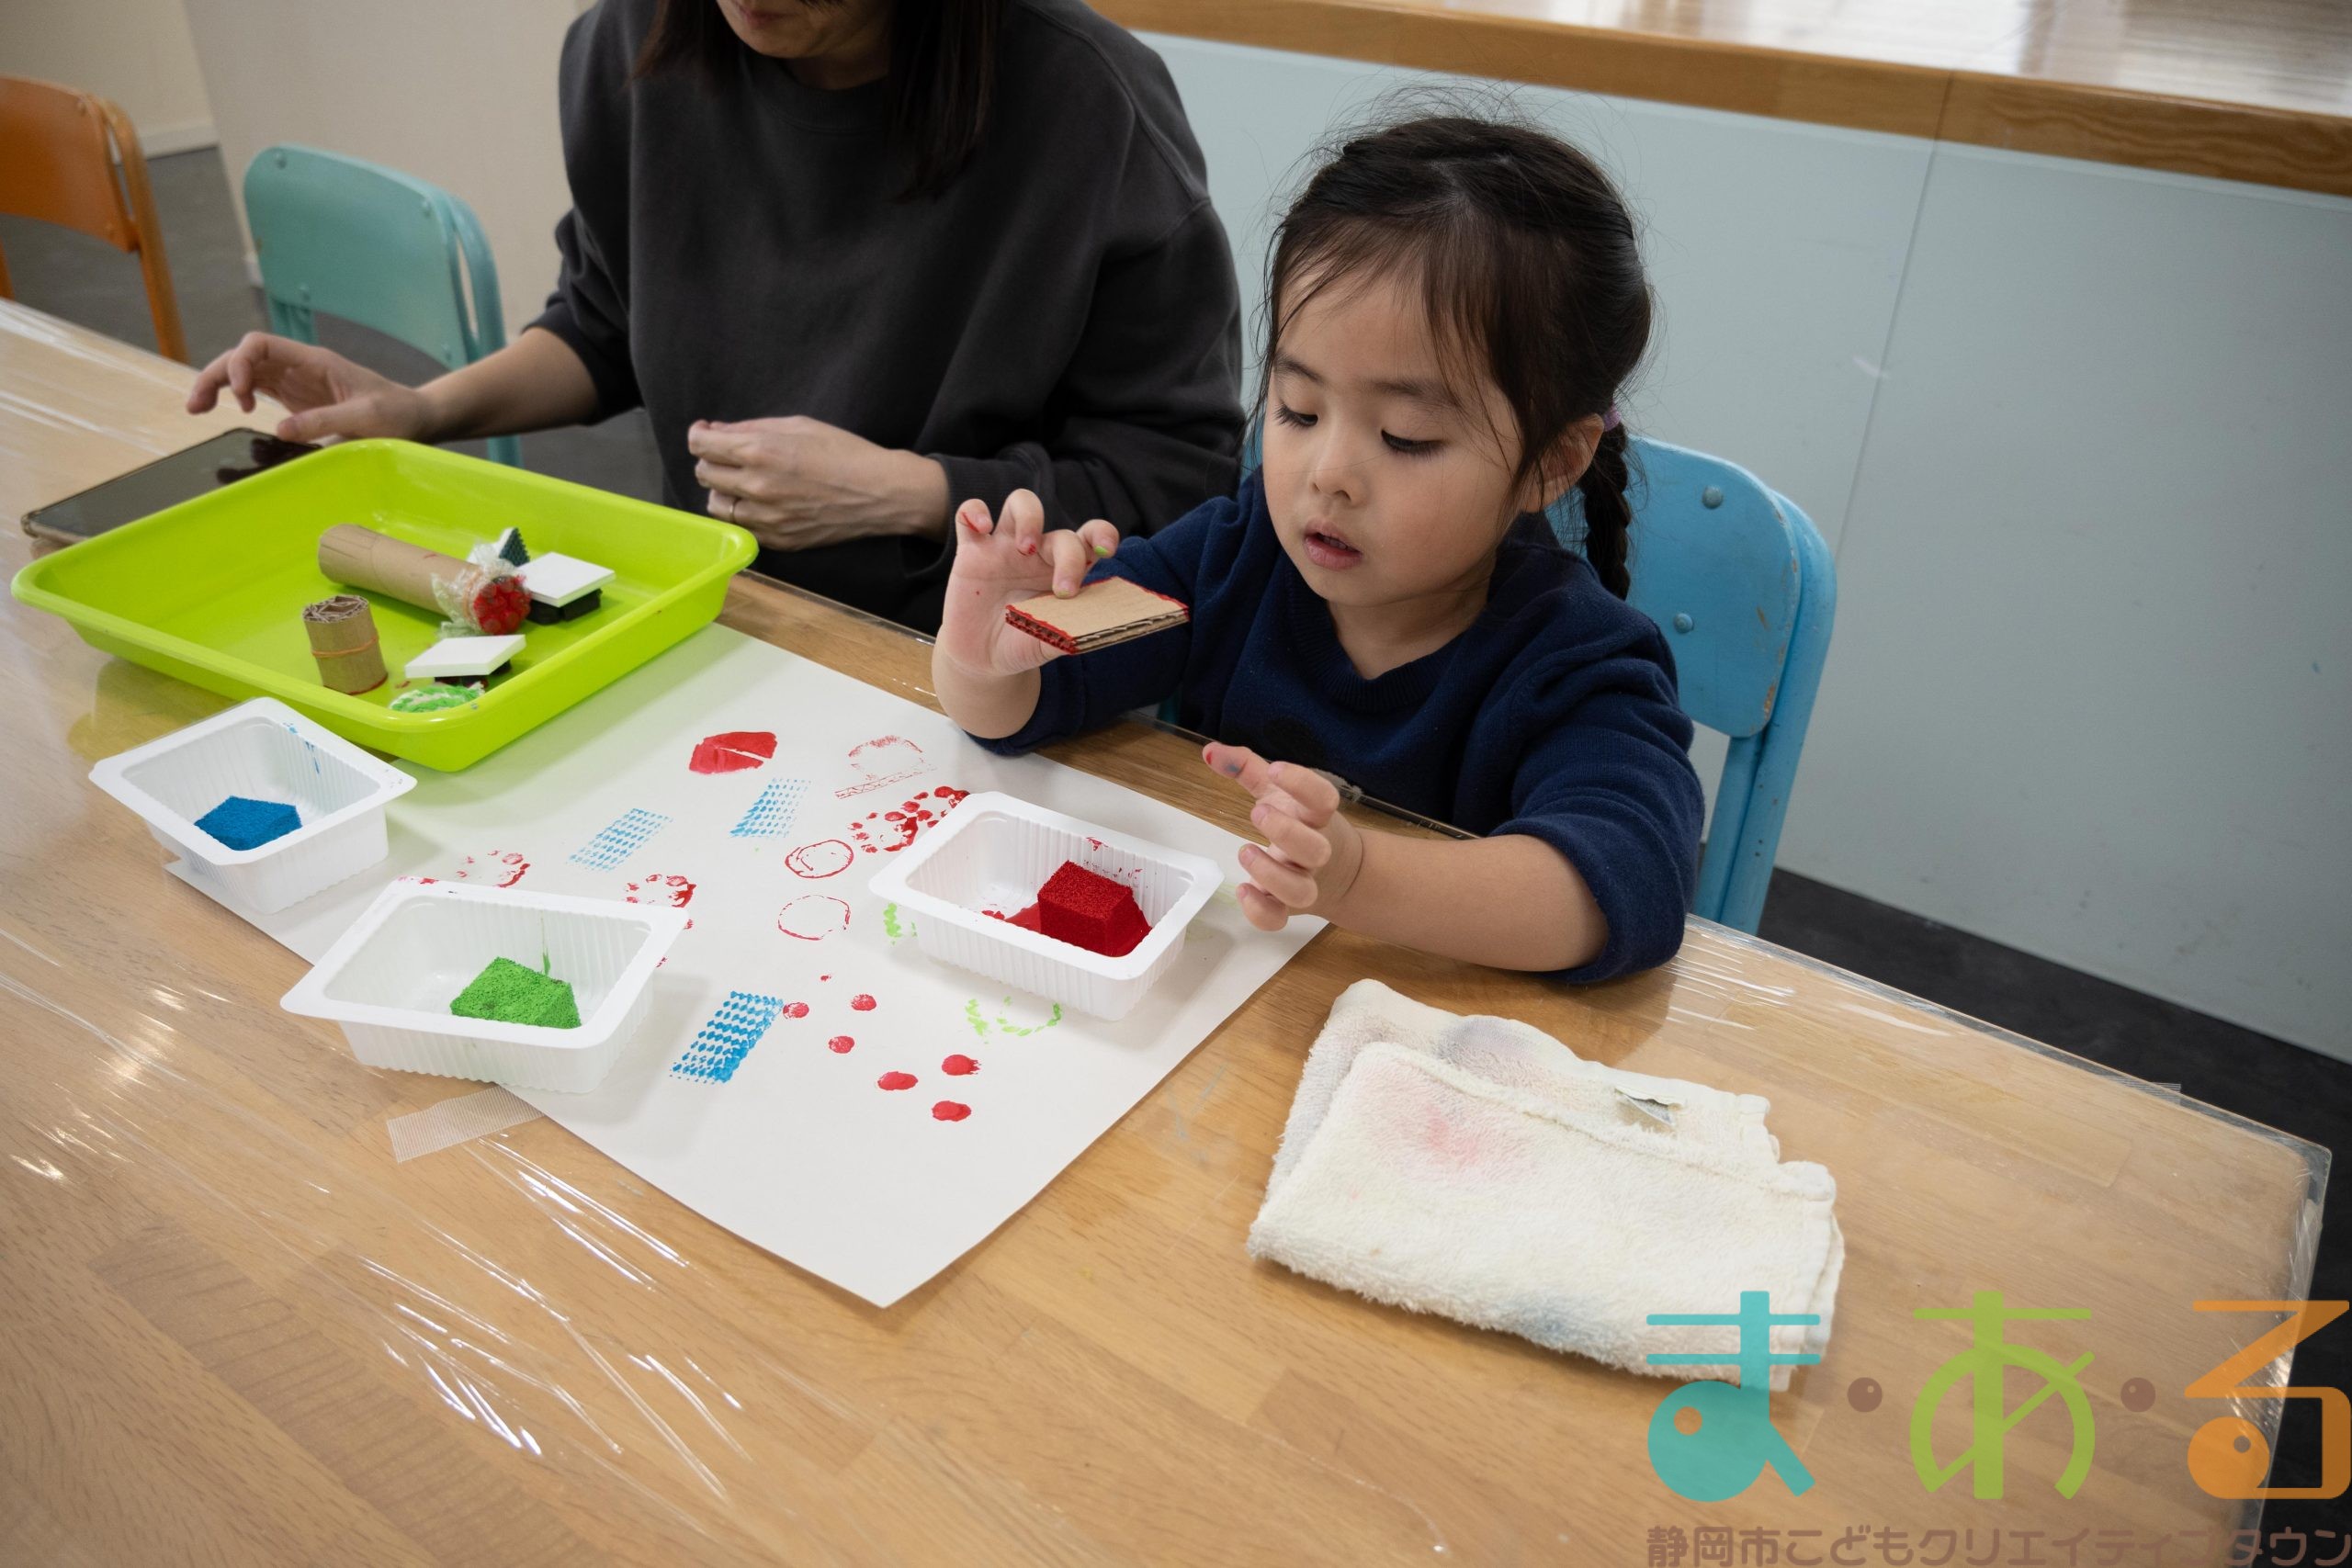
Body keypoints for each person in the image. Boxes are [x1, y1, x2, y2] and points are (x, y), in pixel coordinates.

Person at [931, 116, 1704, 979]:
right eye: (1298, 410)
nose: (1328, 474)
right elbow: (1028, 708)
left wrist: (1357, 876)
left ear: (1552, 462)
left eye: (1405, 436)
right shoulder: (1231, 557)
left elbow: (1627, 883)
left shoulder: (1577, 661)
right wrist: (982, 657)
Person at [186, 0, 1243, 632]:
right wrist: (422, 409)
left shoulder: (1089, 104)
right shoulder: (631, 40)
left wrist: (905, 493)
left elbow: (1175, 479)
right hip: (712, 613)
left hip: (985, 663)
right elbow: (607, 318)